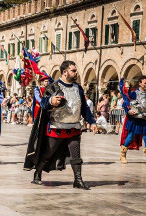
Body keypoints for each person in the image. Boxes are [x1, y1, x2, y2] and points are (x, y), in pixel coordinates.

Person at [24, 60, 97, 190]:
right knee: (47, 154)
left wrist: (92, 122)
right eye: (73, 71)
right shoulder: (53, 87)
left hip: (74, 127)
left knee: (76, 155)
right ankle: (37, 173)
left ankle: (78, 180)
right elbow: (43, 104)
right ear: (65, 72)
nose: (76, 73)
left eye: (75, 71)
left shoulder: (78, 88)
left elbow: (84, 107)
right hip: (57, 128)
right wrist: (51, 100)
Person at [119, 76, 146, 166]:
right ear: (140, 83)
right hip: (135, 119)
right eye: (145, 83)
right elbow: (125, 103)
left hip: (145, 119)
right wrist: (128, 111)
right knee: (131, 137)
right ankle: (123, 155)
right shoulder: (133, 94)